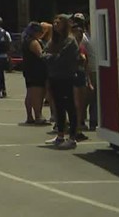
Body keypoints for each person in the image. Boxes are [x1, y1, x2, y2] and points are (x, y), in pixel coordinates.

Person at [44, 14, 80, 149]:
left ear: (65, 24)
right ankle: (60, 135)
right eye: (55, 21)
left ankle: (72, 138)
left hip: (66, 77)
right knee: (58, 107)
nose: (56, 24)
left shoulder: (70, 41)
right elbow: (43, 54)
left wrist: (50, 57)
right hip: (54, 76)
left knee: (70, 106)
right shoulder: (54, 40)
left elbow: (61, 58)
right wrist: (51, 57)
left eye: (59, 22)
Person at [20, 22, 49, 125]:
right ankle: (38, 116)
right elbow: (41, 55)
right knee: (38, 94)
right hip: (36, 71)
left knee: (30, 93)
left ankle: (30, 116)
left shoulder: (26, 41)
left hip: (29, 70)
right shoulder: (34, 42)